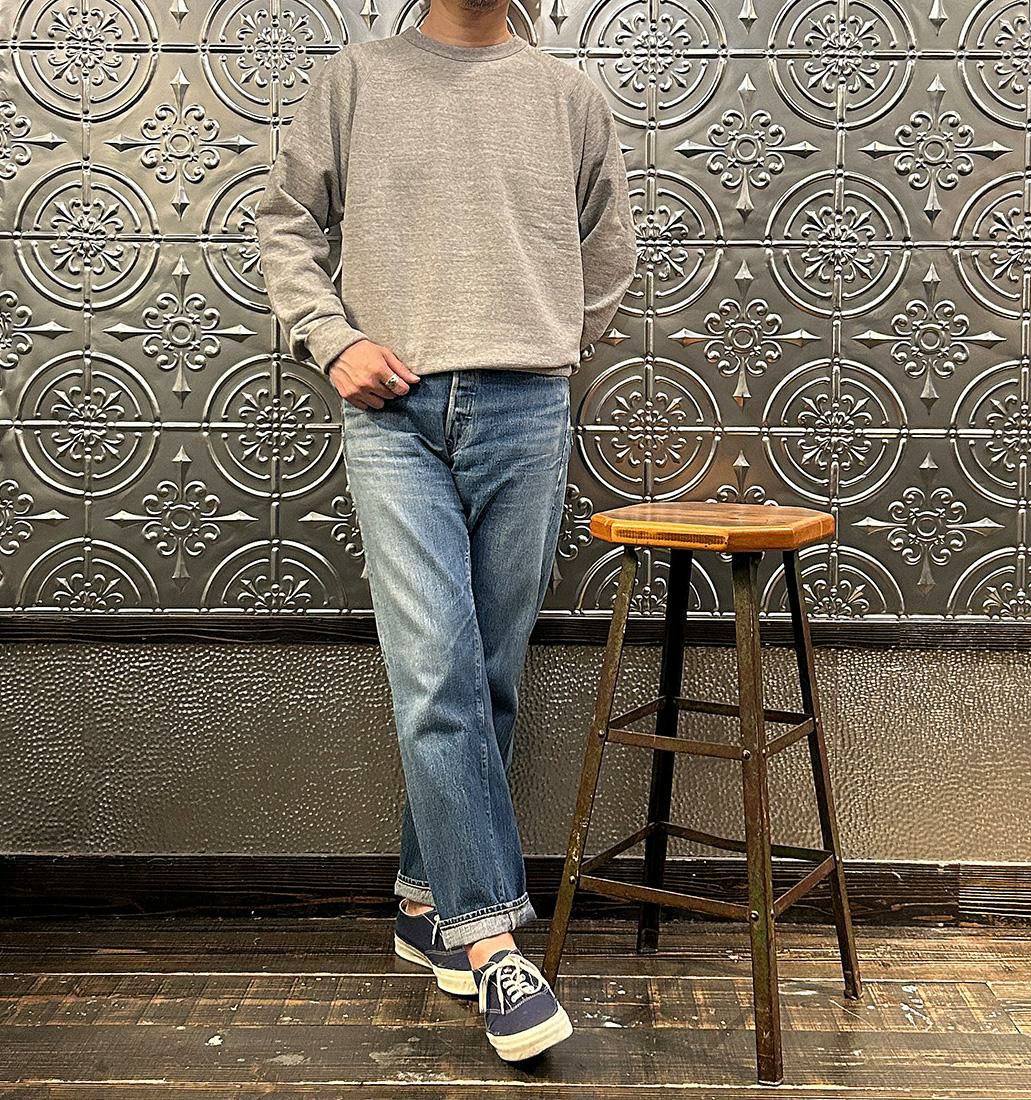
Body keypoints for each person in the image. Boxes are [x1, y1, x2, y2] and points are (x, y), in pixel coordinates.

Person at [255, 0, 637, 1063]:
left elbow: (609, 247)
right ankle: (494, 945)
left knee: (489, 675)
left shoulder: (566, 95)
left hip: (526, 408)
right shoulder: (357, 78)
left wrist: (547, 338)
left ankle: (428, 902)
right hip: (393, 415)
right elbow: (284, 222)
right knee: (435, 672)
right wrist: (330, 339)